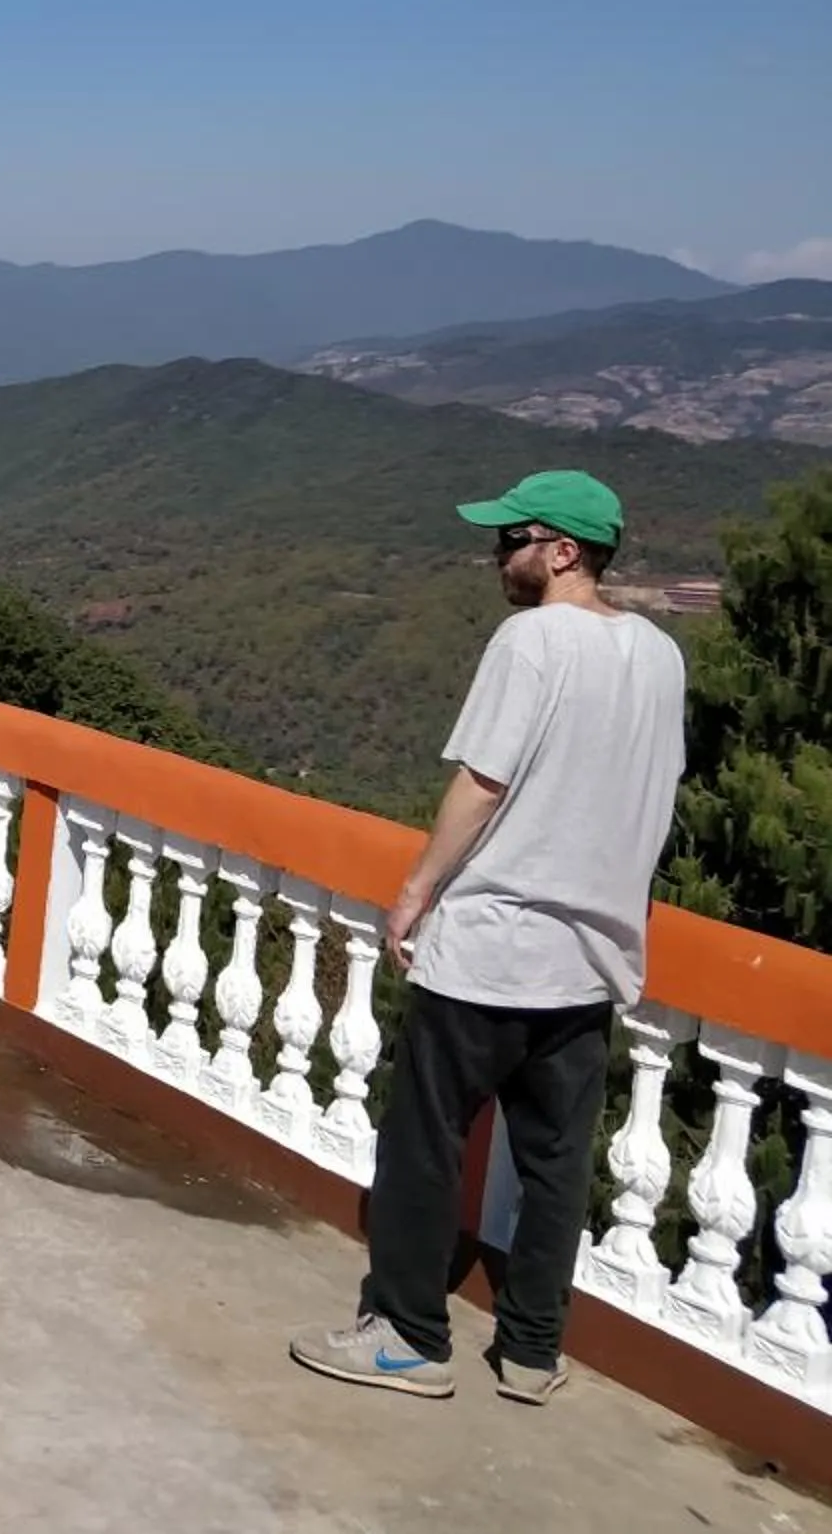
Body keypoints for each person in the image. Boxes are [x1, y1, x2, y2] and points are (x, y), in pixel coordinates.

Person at [291, 470, 684, 1406]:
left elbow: (484, 782)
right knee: (556, 1166)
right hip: (591, 963)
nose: (497, 557)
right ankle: (533, 1352)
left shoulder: (531, 640)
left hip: (493, 948)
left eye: (512, 541)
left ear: (563, 552)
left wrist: (416, 889)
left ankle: (409, 1338)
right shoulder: (662, 656)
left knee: (424, 1141)